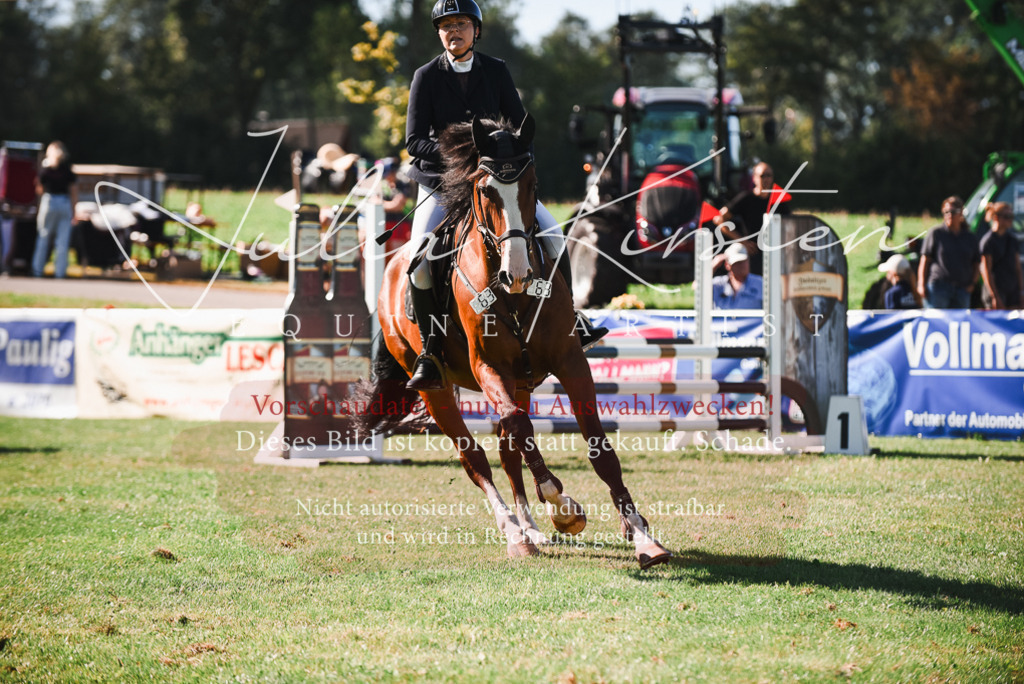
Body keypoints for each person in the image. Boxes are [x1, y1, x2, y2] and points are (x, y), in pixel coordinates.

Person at [403, 0, 605, 390]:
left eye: (461, 23)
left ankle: (574, 320)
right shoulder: (425, 76)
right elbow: (414, 142)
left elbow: (516, 123)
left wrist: (503, 158)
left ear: (476, 30)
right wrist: (466, 155)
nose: (454, 31)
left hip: (497, 184)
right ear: (439, 33)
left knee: (553, 234)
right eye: (446, 25)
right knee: (420, 257)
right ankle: (430, 348)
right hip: (444, 184)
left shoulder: (495, 71)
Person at [711, 162, 790, 276]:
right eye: (763, 176)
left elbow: (790, 223)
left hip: (774, 252)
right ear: (754, 178)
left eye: (769, 175)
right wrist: (742, 241)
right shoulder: (746, 198)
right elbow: (719, 219)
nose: (766, 179)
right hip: (753, 254)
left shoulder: (778, 200)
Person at [917, 196, 980, 308]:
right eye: (946, 212)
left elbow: (977, 263)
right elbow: (925, 260)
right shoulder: (936, 233)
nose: (949, 215)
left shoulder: (970, 237)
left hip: (962, 289)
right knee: (937, 323)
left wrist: (972, 284)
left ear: (961, 213)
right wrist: (921, 284)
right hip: (939, 288)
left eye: (953, 211)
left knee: (959, 323)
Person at [32, 141, 78, 278]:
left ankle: (37, 271)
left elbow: (39, 190)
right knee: (62, 242)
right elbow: (74, 192)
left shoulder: (45, 170)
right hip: (64, 203)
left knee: (43, 237)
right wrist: (74, 211)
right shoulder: (67, 170)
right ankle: (60, 273)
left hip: (49, 202)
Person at [978, 202, 1023, 310]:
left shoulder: (1012, 239)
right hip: (996, 292)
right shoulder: (988, 241)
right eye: (1007, 217)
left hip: (1012, 292)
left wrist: (1022, 292)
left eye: (1012, 216)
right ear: (996, 218)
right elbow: (986, 271)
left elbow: (1018, 268)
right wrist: (995, 297)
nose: (1010, 220)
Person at [712, 243, 763, 310]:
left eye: (744, 261)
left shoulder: (760, 283)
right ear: (727, 265)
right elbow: (696, 291)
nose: (742, 265)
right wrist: (712, 265)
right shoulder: (717, 284)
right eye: (737, 262)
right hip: (723, 321)